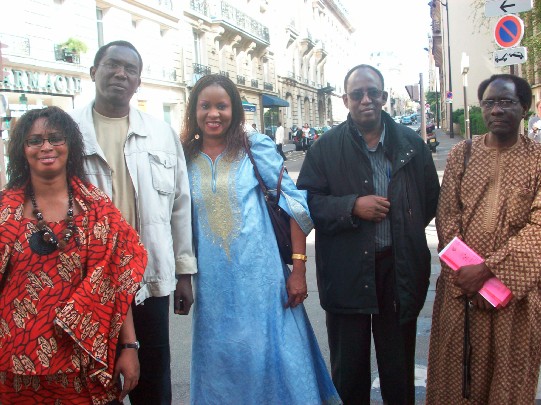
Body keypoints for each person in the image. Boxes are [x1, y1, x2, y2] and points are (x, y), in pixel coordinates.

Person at [181, 74, 341, 405]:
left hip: (263, 283)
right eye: (205, 106)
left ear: (234, 109)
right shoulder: (183, 157)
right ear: (193, 111)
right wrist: (183, 278)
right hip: (212, 288)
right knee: (220, 363)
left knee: (271, 360)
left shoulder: (255, 147)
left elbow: (294, 204)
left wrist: (298, 269)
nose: (214, 113)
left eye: (222, 106)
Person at [297, 64, 440, 405]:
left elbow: (430, 201)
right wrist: (352, 207)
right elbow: (306, 204)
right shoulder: (325, 148)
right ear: (345, 99)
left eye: (373, 92)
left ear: (384, 97)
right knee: (349, 371)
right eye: (357, 94)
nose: (366, 100)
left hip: (398, 271)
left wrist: (402, 230)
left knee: (398, 369)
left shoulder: (411, 144)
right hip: (346, 272)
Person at [69, 40, 197, 405]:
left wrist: (184, 273)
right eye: (112, 65)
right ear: (94, 72)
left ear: (139, 81)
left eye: (131, 69)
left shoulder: (160, 134)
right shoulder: (69, 133)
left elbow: (180, 206)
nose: (121, 74)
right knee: (95, 380)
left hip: (149, 277)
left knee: (153, 379)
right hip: (88, 282)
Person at [0, 106, 147, 404]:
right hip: (14, 367)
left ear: (71, 145)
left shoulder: (98, 209)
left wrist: (130, 347)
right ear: (21, 149)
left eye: (56, 138)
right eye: (35, 140)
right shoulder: (4, 211)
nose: (46, 147)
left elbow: (117, 283)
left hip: (85, 363)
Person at [426, 74, 541, 404]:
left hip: (515, 296)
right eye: (489, 103)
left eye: (506, 102)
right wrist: (469, 279)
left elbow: (538, 229)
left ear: (524, 107)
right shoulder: (462, 153)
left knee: (508, 381)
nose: (497, 110)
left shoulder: (537, 159)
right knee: (457, 379)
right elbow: (447, 217)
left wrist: (491, 276)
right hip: (462, 293)